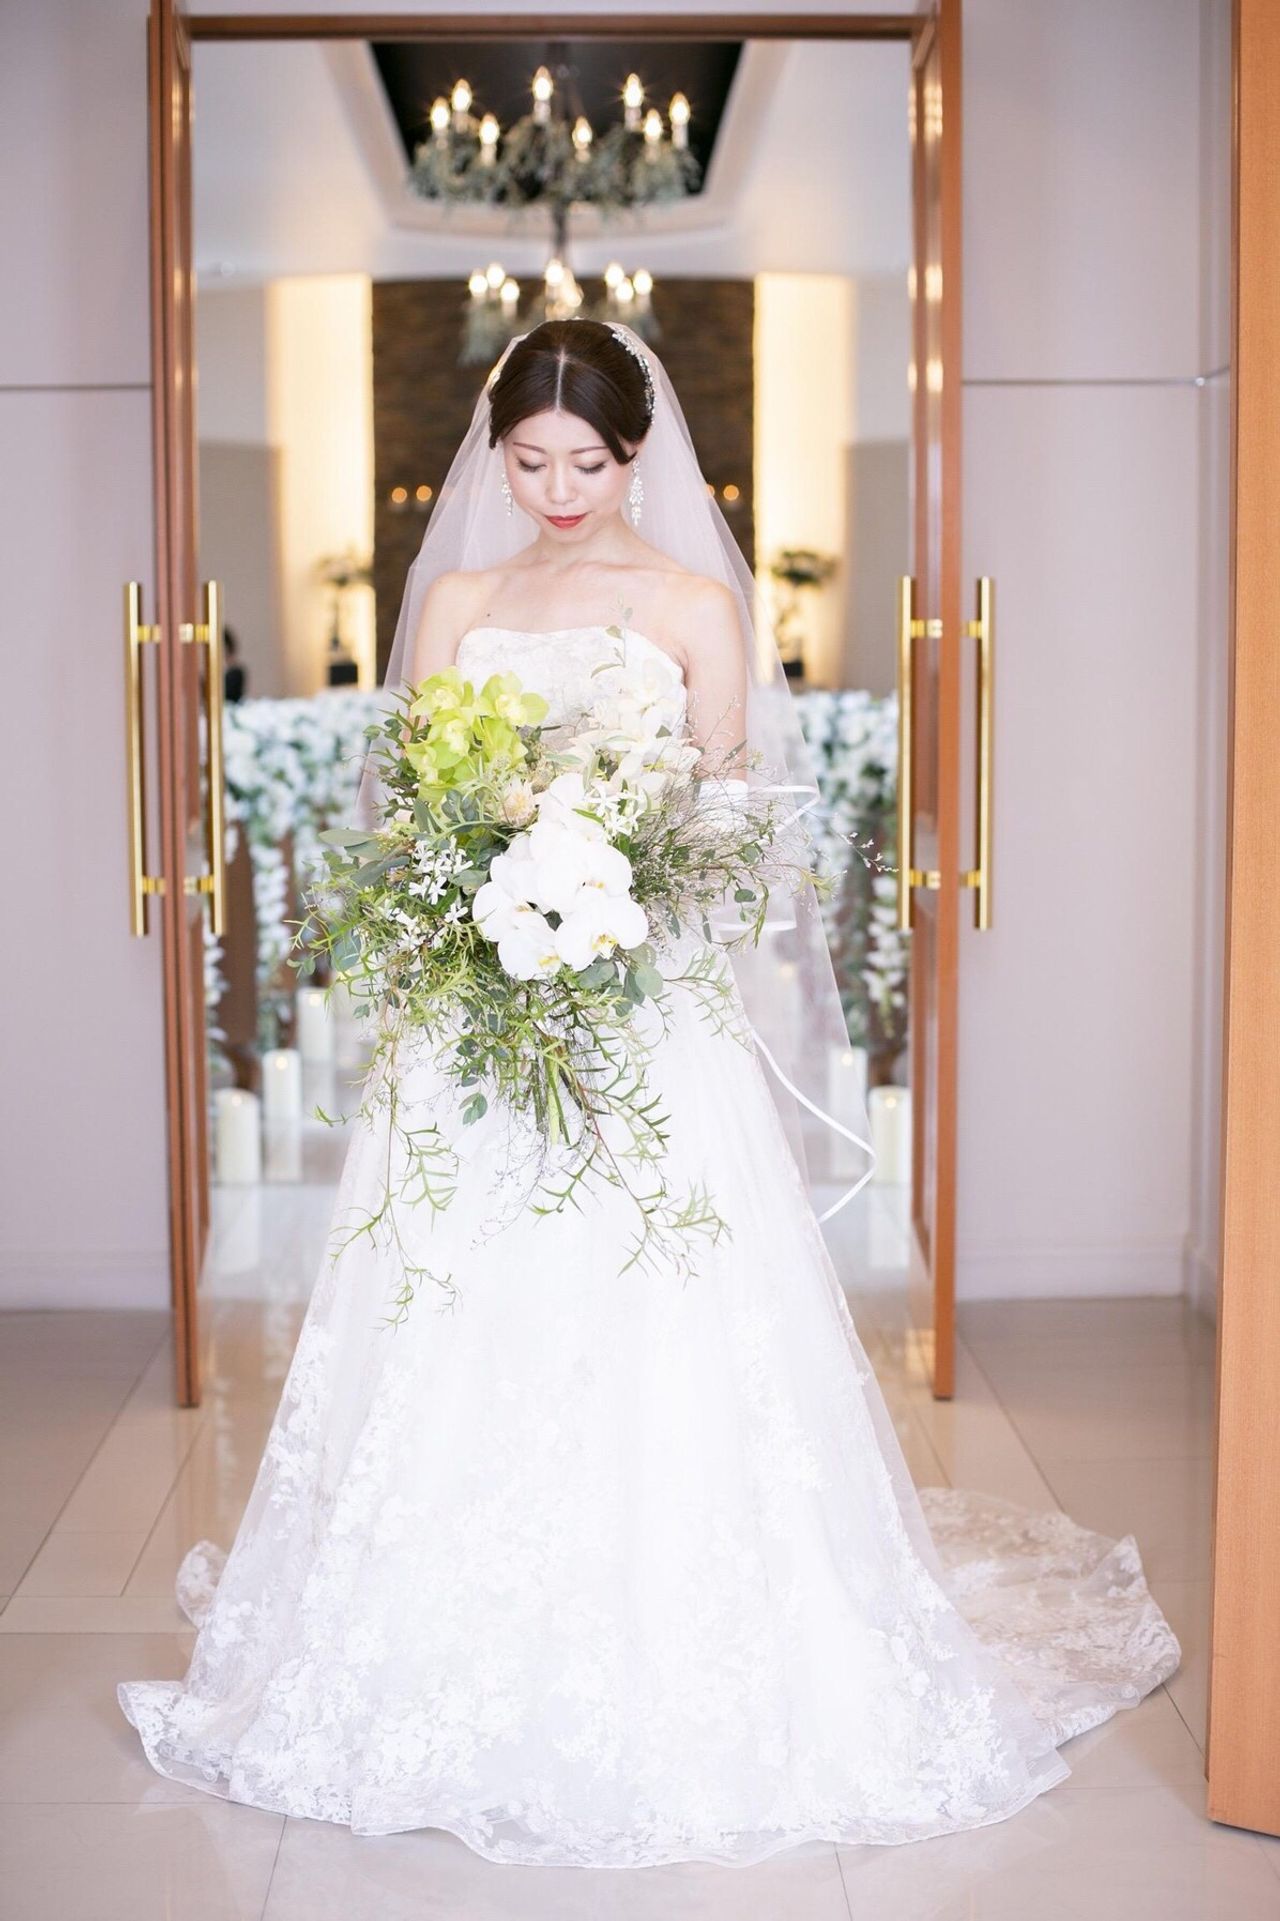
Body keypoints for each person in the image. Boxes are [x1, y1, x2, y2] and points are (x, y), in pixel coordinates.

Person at [117, 320, 1179, 1870]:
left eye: (587, 462)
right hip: (479, 1020)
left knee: (657, 1302)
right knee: (462, 1307)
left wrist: (618, 882)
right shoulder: (458, 604)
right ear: (495, 458)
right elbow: (408, 812)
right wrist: (480, 891)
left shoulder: (693, 607)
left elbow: (734, 831)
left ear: (637, 456)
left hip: (644, 1015)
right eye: (528, 461)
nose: (558, 490)